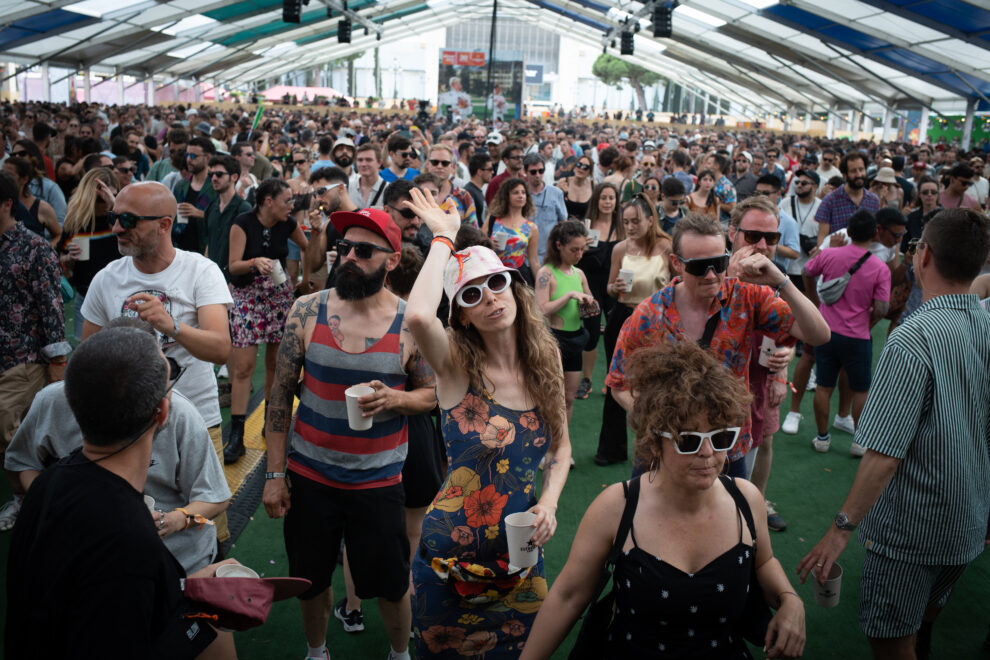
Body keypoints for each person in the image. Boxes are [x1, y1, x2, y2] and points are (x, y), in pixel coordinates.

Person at [520, 341, 806, 659]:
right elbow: (568, 596)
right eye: (688, 439)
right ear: (655, 442)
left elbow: (764, 561)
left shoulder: (746, 500)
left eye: (721, 436)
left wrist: (789, 597)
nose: (708, 453)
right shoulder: (617, 507)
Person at [798, 208, 990, 660]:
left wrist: (841, 529)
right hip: (968, 520)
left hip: (913, 529)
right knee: (923, 621)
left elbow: (884, 455)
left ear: (923, 255)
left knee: (891, 643)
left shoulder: (913, 336)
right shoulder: (984, 323)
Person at [403, 188, 571, 658]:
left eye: (497, 283)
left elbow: (561, 450)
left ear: (514, 285)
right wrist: (443, 237)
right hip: (448, 561)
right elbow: (418, 314)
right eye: (473, 294)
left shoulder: (545, 363)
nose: (491, 298)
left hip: (520, 557)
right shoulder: (455, 366)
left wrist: (551, 504)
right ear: (462, 316)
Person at [262, 207, 435, 660]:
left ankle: (400, 656)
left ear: (392, 260)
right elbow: (280, 396)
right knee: (310, 580)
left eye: (363, 250)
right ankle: (316, 653)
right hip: (310, 477)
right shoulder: (306, 311)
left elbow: (433, 395)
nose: (347, 258)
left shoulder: (410, 324)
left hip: (378, 481)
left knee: (392, 586)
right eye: (343, 247)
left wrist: (397, 400)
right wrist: (274, 475)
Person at [4, 325, 239, 658]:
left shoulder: (45, 489)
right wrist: (199, 606)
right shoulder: (131, 542)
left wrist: (187, 581)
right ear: (162, 412)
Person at [605, 212, 830, 477]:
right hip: (667, 447)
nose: (712, 275)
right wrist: (658, 418)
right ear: (677, 264)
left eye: (719, 263)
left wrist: (781, 281)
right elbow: (619, 383)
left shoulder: (746, 296)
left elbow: (819, 335)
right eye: (700, 266)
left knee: (729, 516)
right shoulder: (649, 314)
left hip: (727, 447)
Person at [6, 315, 231, 572]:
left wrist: (175, 520)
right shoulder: (52, 401)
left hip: (177, 559)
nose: (164, 387)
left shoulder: (183, 414)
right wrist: (53, 504)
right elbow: (22, 460)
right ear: (161, 411)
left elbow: (214, 496)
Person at [81, 181, 233, 543]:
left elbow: (220, 349)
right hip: (126, 429)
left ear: (165, 224)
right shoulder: (107, 278)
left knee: (208, 530)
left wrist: (171, 324)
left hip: (196, 418)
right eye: (114, 216)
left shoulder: (201, 271)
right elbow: (86, 358)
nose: (117, 227)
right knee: (127, 526)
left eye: (128, 220)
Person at [0, 170, 69, 532]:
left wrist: (57, 363)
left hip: (22, 359)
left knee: (10, 434)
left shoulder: (34, 247)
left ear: (7, 204)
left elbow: (51, 307)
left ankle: (30, 499)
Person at [224, 178, 307, 464]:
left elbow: (308, 246)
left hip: (278, 295)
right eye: (287, 200)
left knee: (276, 363)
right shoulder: (243, 222)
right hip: (247, 296)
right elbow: (232, 264)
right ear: (268, 201)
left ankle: (271, 423)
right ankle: (236, 434)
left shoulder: (288, 223)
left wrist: (305, 279)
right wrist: (253, 262)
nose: (291, 205)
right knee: (244, 367)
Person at [803, 210, 891, 456]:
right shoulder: (880, 268)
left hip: (827, 332)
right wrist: (867, 321)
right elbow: (882, 308)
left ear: (848, 232)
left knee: (823, 385)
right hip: (858, 336)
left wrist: (813, 302)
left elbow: (806, 272)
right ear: (875, 233)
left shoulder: (829, 254)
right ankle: (859, 443)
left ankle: (822, 438)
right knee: (861, 389)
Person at [594, 195, 672, 466]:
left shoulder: (667, 247)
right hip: (624, 318)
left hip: (658, 322)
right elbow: (608, 288)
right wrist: (614, 288)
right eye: (625, 221)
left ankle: (659, 443)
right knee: (617, 382)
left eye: (635, 221)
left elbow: (677, 285)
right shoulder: (619, 249)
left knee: (655, 383)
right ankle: (611, 450)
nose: (630, 226)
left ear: (651, 220)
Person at [536, 220, 596, 425]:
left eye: (582, 249)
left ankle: (563, 445)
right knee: (551, 398)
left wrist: (589, 305)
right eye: (574, 250)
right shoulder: (546, 273)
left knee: (569, 398)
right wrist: (569, 295)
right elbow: (541, 308)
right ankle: (546, 446)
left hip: (576, 339)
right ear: (559, 245)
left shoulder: (579, 273)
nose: (579, 255)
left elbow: (591, 307)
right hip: (555, 340)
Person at [56, 167, 118, 340]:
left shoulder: (120, 219)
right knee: (86, 357)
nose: (104, 203)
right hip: (87, 298)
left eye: (110, 195)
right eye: (99, 198)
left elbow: (136, 242)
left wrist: (115, 207)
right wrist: (68, 259)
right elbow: (59, 256)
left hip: (120, 296)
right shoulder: (76, 222)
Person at [575, 183, 623, 401]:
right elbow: (575, 258)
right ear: (596, 201)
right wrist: (581, 248)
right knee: (591, 334)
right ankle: (586, 380)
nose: (607, 202)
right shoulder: (586, 226)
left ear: (616, 202)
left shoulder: (622, 226)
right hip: (590, 285)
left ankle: (611, 380)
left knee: (615, 334)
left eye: (611, 198)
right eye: (603, 197)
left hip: (615, 286)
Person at [203, 154, 252, 283]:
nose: (213, 178)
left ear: (234, 177)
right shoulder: (211, 208)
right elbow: (209, 244)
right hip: (212, 279)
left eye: (219, 174)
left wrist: (233, 281)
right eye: (211, 174)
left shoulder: (244, 209)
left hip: (233, 282)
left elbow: (249, 249)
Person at [815, 151, 881, 245]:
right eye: (853, 171)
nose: (859, 175)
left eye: (861, 169)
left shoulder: (873, 201)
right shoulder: (830, 200)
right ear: (845, 175)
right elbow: (821, 238)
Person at [485, 177, 540, 282]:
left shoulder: (531, 227)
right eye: (515, 192)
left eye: (523, 193)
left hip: (519, 276)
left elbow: (534, 260)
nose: (521, 196)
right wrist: (489, 244)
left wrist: (542, 286)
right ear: (506, 196)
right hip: (494, 274)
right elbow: (478, 246)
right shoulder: (492, 220)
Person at [2, 157, 60, 243]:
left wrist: (46, 249)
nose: (4, 179)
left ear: (24, 179)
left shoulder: (42, 207)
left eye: (9, 175)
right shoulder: (2, 205)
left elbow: (59, 235)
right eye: (2, 174)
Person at [524, 153, 567, 262]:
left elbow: (563, 223)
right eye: (533, 172)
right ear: (525, 172)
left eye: (541, 171)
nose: (537, 175)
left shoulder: (556, 193)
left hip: (549, 255)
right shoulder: (520, 194)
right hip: (524, 256)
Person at [557, 154, 594, 220]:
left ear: (589, 172)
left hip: (583, 227)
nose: (581, 168)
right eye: (579, 164)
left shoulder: (593, 186)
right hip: (564, 226)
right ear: (574, 167)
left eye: (586, 167)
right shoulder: (563, 182)